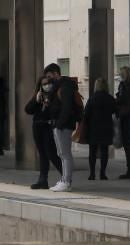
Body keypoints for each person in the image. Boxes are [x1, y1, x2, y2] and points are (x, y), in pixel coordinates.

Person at [44, 63, 80, 192]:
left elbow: (66, 107)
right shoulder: (60, 86)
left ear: (56, 73)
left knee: (65, 154)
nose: (49, 79)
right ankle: (64, 179)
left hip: (63, 125)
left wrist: (59, 124)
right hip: (60, 124)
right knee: (62, 153)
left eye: (50, 76)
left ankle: (66, 181)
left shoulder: (64, 87)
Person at [25, 76, 63, 189]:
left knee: (51, 153)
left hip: (48, 126)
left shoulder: (55, 96)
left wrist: (48, 104)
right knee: (42, 153)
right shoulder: (38, 96)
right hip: (37, 125)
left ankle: (65, 175)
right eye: (44, 84)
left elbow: (56, 111)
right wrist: (36, 101)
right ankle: (43, 179)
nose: (47, 86)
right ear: (40, 86)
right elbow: (28, 109)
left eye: (49, 83)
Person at [84, 77, 117, 180]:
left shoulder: (92, 98)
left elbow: (86, 113)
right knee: (104, 151)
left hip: (93, 127)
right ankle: (102, 173)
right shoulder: (110, 98)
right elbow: (115, 111)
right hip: (106, 127)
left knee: (92, 151)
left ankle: (92, 173)